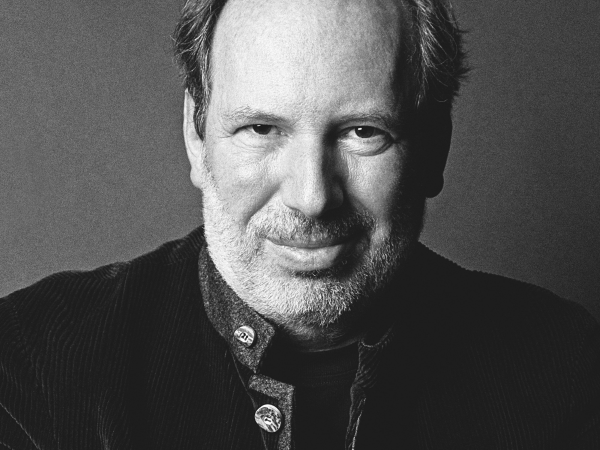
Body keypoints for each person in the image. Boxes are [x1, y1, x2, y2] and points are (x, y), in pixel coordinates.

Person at [1, 0, 599, 448]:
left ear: (434, 146)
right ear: (196, 136)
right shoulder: (28, 367)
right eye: (261, 129)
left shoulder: (567, 372)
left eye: (363, 132)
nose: (312, 198)